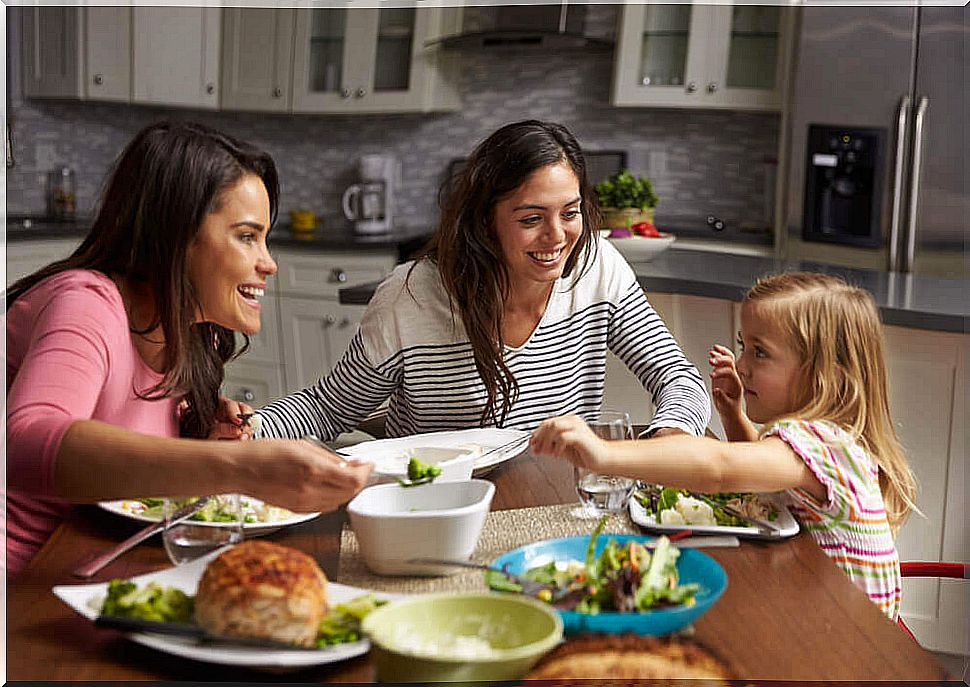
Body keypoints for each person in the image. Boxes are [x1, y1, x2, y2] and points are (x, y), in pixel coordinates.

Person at [5, 121, 372, 578]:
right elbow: (23, 443)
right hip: (23, 584)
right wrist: (237, 466)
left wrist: (200, 441)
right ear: (176, 237)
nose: (269, 262)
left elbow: (132, 464)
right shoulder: (86, 303)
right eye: (245, 236)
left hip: (105, 564)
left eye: (265, 238)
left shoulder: (194, 329)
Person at [253, 120, 710, 441]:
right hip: (439, 509)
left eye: (570, 213)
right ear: (485, 222)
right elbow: (329, 408)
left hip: (557, 502)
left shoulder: (598, 266)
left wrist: (670, 432)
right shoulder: (410, 296)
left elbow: (677, 376)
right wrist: (248, 428)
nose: (557, 236)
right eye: (532, 218)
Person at [530, 272, 918, 620]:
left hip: (849, 642)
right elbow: (763, 476)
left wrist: (606, 455)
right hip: (819, 610)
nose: (742, 364)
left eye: (760, 352)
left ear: (823, 378)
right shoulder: (826, 440)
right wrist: (734, 415)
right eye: (743, 346)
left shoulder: (823, 444)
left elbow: (720, 468)